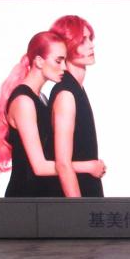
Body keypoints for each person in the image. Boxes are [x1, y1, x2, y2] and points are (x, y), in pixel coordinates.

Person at [0, 31, 105, 197]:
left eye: (64, 60)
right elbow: (40, 167)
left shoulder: (40, 98)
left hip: (40, 196)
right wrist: (88, 166)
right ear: (39, 61)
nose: (64, 67)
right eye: (58, 60)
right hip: (25, 198)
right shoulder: (24, 102)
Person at [49, 15, 106, 197]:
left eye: (90, 38)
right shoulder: (66, 93)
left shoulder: (76, 88)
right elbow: (63, 164)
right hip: (76, 199)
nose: (91, 45)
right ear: (66, 47)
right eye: (83, 41)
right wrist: (78, 212)